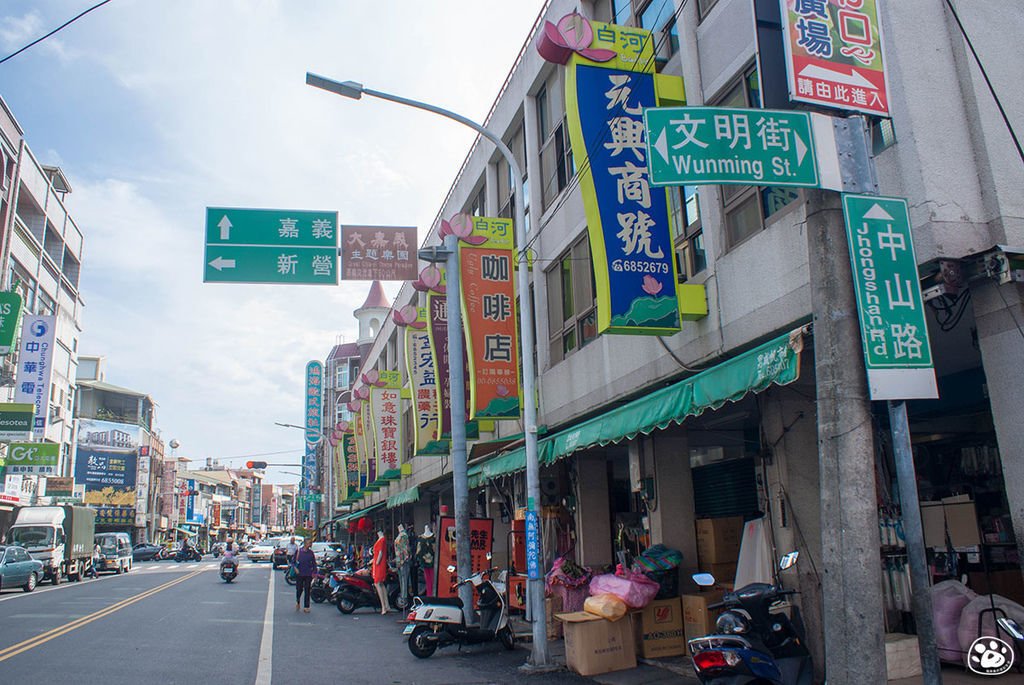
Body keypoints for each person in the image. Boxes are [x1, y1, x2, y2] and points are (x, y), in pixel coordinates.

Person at [372, 530, 393, 614]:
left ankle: (384, 606)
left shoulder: (382, 540)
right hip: (378, 563)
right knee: (381, 584)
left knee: (378, 583)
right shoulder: (381, 539)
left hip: (379, 564)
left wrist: (377, 561)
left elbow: (380, 553)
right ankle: (386, 605)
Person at [294, 538, 317, 613]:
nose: (310, 544)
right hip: (300, 573)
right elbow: (293, 562)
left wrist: (314, 572)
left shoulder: (311, 553)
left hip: (308, 574)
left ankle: (306, 606)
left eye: (311, 543)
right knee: (299, 589)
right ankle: (298, 601)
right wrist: (295, 568)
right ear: (305, 543)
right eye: (309, 543)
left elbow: (314, 563)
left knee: (307, 589)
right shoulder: (298, 552)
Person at [415, 524, 436, 596]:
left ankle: (432, 594)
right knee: (428, 580)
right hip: (427, 562)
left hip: (432, 562)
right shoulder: (422, 538)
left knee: (433, 580)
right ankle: (430, 595)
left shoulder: (433, 537)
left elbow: (418, 552)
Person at [394, 524, 411, 605]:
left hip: (400, 561)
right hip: (403, 561)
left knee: (403, 579)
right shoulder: (404, 536)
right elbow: (406, 549)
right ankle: (404, 597)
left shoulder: (400, 536)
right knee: (404, 579)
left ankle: (404, 596)